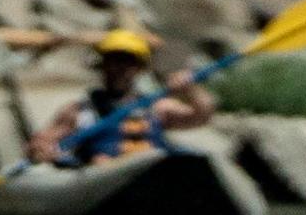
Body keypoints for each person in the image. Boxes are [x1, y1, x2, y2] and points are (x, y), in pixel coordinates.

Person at [26, 28, 215, 165]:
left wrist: (191, 90)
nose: (119, 69)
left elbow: (202, 115)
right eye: (113, 61)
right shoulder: (79, 111)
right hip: (104, 178)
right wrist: (41, 149)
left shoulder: (157, 107)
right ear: (103, 66)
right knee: (101, 161)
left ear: (139, 69)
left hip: (151, 174)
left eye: (127, 63)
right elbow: (41, 142)